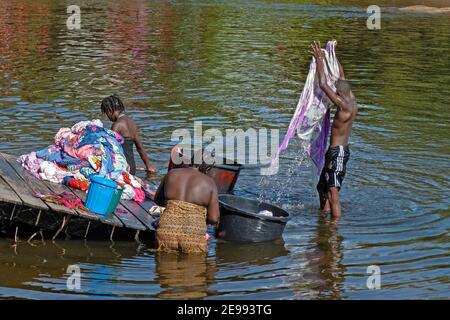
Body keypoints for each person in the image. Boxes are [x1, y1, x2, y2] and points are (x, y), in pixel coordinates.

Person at [310, 41, 357, 219]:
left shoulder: (343, 105)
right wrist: (332, 55)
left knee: (333, 192)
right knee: (321, 187)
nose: (334, 92)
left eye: (336, 90)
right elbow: (342, 74)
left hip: (338, 153)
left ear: (340, 93)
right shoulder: (352, 99)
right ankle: (324, 216)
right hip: (336, 152)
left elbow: (322, 84)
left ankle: (334, 228)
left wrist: (320, 60)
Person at [154, 150, 220, 253]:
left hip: (166, 231)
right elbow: (214, 218)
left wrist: (174, 207)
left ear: (192, 160)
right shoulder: (210, 183)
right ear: (207, 168)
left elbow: (158, 200)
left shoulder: (171, 174)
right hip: (193, 236)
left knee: (165, 267)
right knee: (194, 266)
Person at [100, 94, 156, 175]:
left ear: (110, 110)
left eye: (106, 113)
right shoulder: (131, 122)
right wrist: (148, 166)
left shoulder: (116, 125)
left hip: (123, 167)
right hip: (132, 167)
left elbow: (110, 149)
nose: (108, 117)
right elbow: (140, 147)